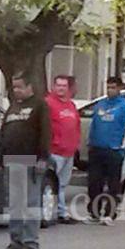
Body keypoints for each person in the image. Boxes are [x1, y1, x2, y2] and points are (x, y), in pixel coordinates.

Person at [0, 73, 52, 249]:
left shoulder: (39, 106)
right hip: (11, 160)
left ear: (30, 87)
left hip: (31, 160)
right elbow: (4, 133)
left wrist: (43, 158)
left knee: (31, 203)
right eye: (14, 87)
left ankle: (30, 243)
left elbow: (45, 132)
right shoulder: (13, 107)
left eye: (19, 87)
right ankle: (16, 241)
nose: (16, 90)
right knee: (15, 204)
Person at [86, 76, 125, 225]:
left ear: (120, 88)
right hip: (97, 148)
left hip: (114, 150)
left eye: (113, 87)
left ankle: (110, 213)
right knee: (94, 183)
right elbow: (93, 124)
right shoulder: (100, 104)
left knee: (113, 184)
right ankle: (94, 212)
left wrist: (122, 149)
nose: (110, 90)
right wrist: (90, 143)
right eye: (108, 87)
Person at [45, 75, 81, 224]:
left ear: (68, 88)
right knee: (53, 183)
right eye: (58, 85)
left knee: (63, 184)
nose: (60, 88)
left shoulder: (71, 105)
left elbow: (76, 125)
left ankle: (61, 211)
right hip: (55, 151)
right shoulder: (48, 104)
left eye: (64, 86)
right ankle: (57, 212)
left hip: (69, 151)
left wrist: (76, 143)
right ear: (53, 86)